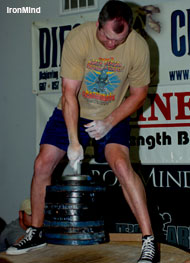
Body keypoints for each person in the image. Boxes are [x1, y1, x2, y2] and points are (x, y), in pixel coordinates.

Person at [6, 1, 159, 262]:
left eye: (118, 40)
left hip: (112, 112)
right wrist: (74, 141)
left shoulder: (137, 47)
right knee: (42, 164)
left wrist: (109, 121)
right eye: (107, 37)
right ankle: (36, 232)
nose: (111, 45)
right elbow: (69, 94)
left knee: (122, 166)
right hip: (73, 109)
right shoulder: (79, 38)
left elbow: (139, 94)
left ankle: (149, 242)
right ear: (99, 24)